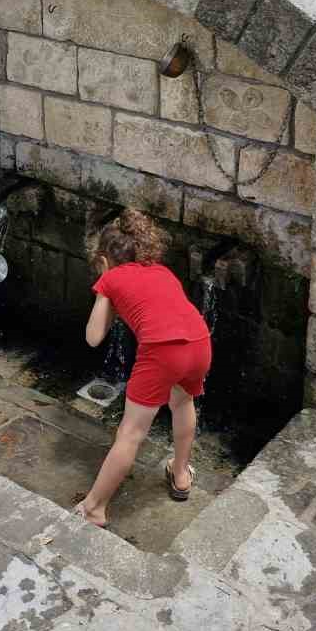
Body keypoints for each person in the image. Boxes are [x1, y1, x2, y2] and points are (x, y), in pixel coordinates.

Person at [74, 211, 212, 529]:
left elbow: (93, 338)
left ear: (104, 260)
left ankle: (94, 508)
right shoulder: (161, 271)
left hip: (163, 350)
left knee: (131, 433)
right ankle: (180, 475)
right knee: (182, 402)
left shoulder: (110, 278)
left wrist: (104, 295)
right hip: (200, 342)